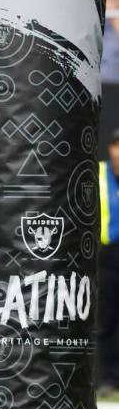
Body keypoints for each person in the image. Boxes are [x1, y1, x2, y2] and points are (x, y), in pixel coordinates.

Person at [98, 129, 119, 393]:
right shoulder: (99, 173)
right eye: (116, 145)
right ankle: (107, 380)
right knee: (106, 318)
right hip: (106, 254)